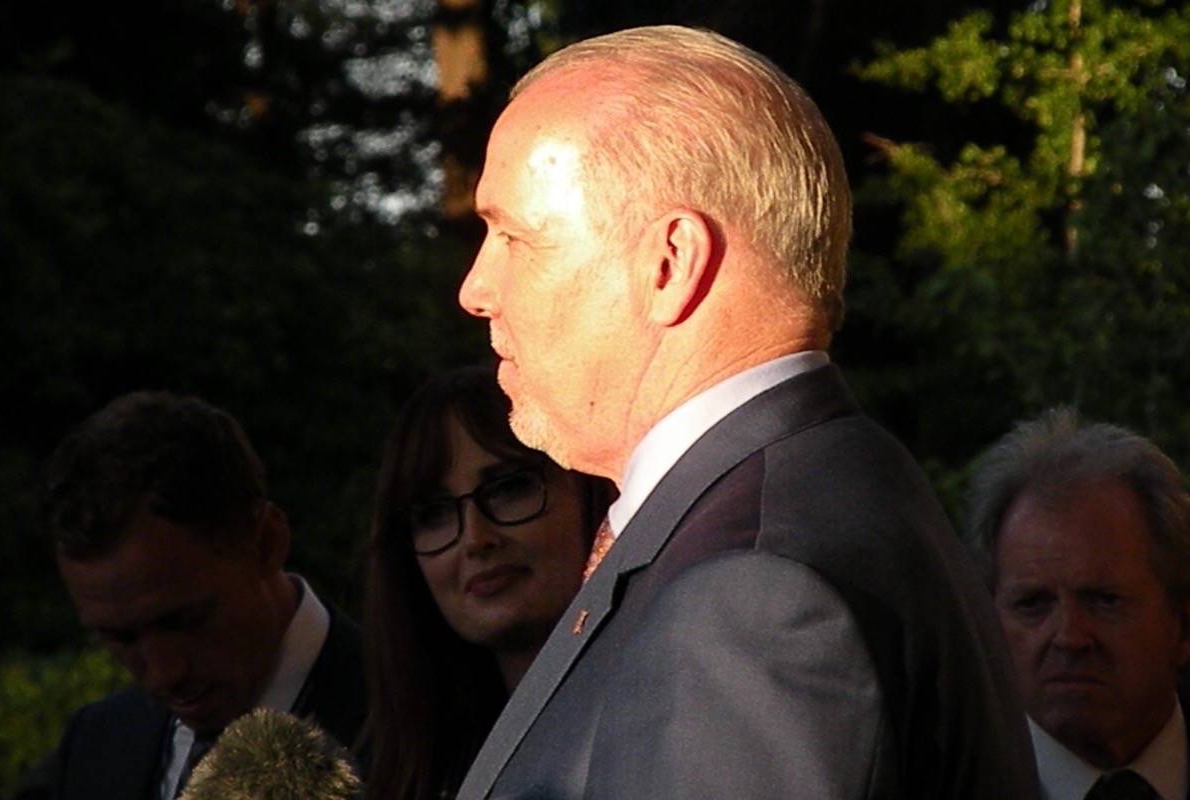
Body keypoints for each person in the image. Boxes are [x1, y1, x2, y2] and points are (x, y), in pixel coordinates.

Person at [454, 24, 1039, 799]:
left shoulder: (752, 595)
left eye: (514, 236)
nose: (476, 289)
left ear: (671, 263)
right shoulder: (825, 491)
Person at [38, 391, 365, 800]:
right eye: (120, 637)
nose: (162, 674)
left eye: (185, 621)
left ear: (266, 543)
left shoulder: (420, 726)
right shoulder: (97, 743)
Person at [362, 366, 613, 800]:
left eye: (510, 487)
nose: (476, 539)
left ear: (587, 488)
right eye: (434, 514)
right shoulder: (384, 766)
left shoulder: (668, 711)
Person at [966, 407, 1190, 799]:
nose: (1070, 637)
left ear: (1183, 625)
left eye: (1105, 601)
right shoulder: (924, 780)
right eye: (1033, 603)